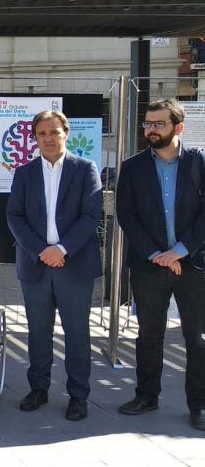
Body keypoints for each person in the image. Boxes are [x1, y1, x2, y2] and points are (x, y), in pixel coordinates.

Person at [115, 98, 205, 431]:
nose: (151, 130)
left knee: (197, 338)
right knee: (149, 335)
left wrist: (179, 251)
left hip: (193, 264)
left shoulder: (198, 163)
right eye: (148, 124)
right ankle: (146, 396)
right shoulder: (133, 166)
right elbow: (127, 215)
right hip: (149, 264)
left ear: (178, 127)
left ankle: (199, 404)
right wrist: (157, 254)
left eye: (159, 124)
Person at [7, 109, 102, 421]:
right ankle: (38, 389)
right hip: (36, 264)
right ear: (35, 138)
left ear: (66, 133)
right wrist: (41, 251)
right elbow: (15, 217)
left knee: (77, 333)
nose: (48, 139)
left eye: (54, 132)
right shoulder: (24, 173)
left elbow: (91, 215)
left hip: (74, 264)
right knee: (38, 332)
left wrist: (61, 249)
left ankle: (78, 395)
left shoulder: (85, 169)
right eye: (42, 134)